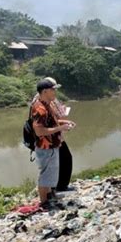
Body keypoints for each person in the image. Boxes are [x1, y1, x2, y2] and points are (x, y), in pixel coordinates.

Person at [31, 78, 75, 206]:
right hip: (45, 147)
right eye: (53, 89)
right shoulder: (40, 108)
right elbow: (39, 131)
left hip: (52, 145)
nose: (55, 92)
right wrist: (60, 128)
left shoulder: (47, 104)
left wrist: (64, 122)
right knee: (45, 175)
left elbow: (52, 122)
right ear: (45, 91)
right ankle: (44, 202)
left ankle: (51, 196)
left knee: (51, 173)